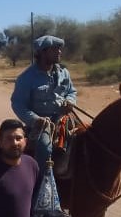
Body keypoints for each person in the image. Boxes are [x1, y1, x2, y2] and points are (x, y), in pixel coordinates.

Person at [10, 35, 76, 171]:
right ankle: (42, 185)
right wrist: (35, 119)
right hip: (42, 124)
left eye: (59, 49)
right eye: (55, 49)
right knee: (45, 148)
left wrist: (70, 101)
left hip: (65, 118)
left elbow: (71, 91)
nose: (59, 52)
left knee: (90, 138)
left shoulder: (64, 72)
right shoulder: (26, 78)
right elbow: (18, 104)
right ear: (42, 52)